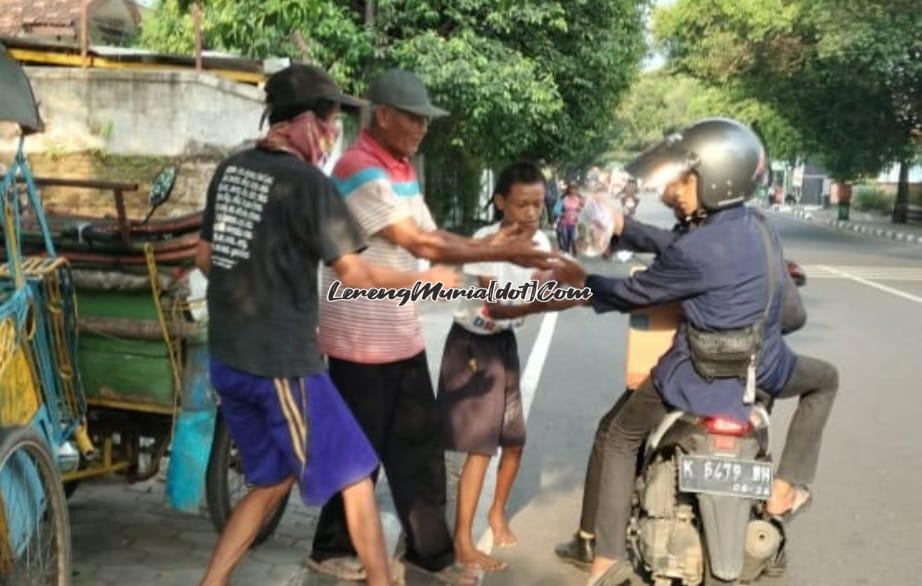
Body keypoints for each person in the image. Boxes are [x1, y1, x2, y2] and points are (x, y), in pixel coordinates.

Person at [194, 64, 459, 586]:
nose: (335, 134)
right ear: (310, 122)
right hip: (281, 366)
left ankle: (211, 582)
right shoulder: (308, 184)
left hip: (227, 358)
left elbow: (206, 257)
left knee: (270, 483)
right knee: (356, 473)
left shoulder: (232, 169)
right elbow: (354, 272)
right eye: (332, 122)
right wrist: (428, 280)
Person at [550, 119, 838, 586]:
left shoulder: (697, 248)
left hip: (696, 375)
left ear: (716, 180)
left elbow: (630, 293)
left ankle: (603, 560)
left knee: (620, 435)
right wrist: (628, 229)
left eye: (682, 181)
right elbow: (789, 313)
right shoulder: (761, 229)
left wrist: (578, 282)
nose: (674, 190)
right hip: (763, 370)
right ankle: (783, 490)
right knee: (826, 379)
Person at [309, 69, 556, 585]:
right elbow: (418, 244)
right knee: (361, 452)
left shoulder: (400, 167)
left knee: (418, 448)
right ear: (382, 116)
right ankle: (333, 546)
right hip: (358, 335)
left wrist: (487, 249)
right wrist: (494, 250)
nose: (423, 127)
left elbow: (431, 233)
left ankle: (430, 554)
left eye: (425, 119)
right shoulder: (359, 169)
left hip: (399, 333)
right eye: (414, 118)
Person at [436, 161, 580, 574]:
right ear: (501, 202)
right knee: (481, 448)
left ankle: (496, 511)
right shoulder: (485, 241)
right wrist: (545, 297)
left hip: (504, 343)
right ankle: (463, 541)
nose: (532, 213)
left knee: (514, 440)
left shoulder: (541, 242)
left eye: (538, 204)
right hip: (473, 345)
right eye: (522, 204)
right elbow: (494, 304)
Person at [556, 184, 583, 255]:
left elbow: (583, 211)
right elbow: (556, 210)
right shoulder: (563, 198)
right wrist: (562, 214)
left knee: (573, 238)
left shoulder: (579, 200)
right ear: (568, 190)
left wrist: (579, 211)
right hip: (564, 222)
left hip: (574, 223)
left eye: (574, 189)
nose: (573, 191)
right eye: (571, 189)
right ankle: (566, 253)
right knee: (565, 239)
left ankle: (574, 250)